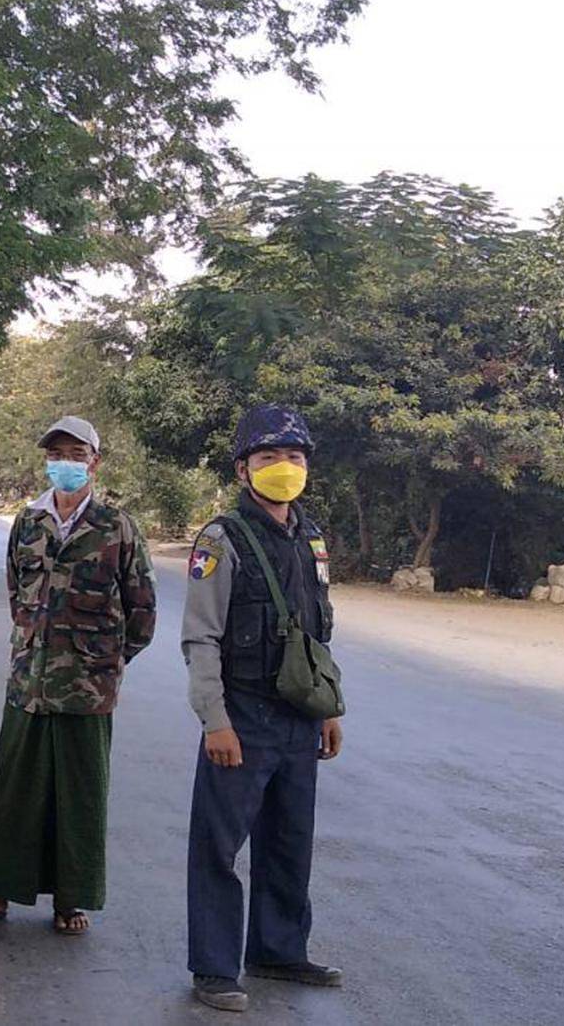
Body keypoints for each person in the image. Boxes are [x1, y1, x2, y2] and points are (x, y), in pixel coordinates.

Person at [0, 416, 157, 935]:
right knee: (15, 788)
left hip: (87, 688)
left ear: (94, 461)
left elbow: (142, 610)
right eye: (56, 454)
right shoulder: (28, 522)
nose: (65, 463)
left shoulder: (117, 526)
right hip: (28, 681)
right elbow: (18, 594)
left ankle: (70, 899)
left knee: (79, 793)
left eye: (75, 454)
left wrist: (102, 662)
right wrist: (36, 646)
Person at [181, 404, 345, 1013]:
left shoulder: (311, 537)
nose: (284, 468)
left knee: (289, 840)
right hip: (243, 717)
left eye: (294, 457)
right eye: (269, 457)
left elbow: (316, 634)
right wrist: (214, 720)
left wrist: (329, 708)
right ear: (244, 470)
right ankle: (215, 967)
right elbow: (200, 636)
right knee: (219, 846)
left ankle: (278, 950)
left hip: (299, 720)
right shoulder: (221, 539)